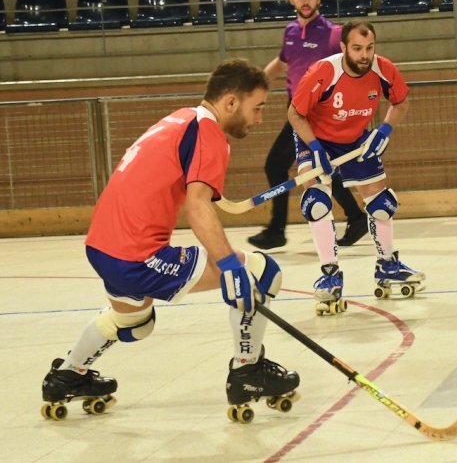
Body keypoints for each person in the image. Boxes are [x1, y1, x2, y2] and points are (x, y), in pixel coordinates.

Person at [40, 59, 299, 423]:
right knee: (261, 271)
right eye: (256, 108)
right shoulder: (210, 135)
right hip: (136, 253)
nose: (259, 119)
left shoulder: (182, 119)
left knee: (133, 321)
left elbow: (203, 197)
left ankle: (67, 374)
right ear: (229, 102)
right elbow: (196, 207)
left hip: (101, 245)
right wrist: (229, 266)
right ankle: (248, 372)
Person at [288, 20, 425, 316]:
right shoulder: (323, 72)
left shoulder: (383, 69)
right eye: (357, 48)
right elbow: (295, 114)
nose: (365, 55)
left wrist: (385, 130)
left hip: (355, 140)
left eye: (369, 48)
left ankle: (387, 265)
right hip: (315, 136)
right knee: (316, 202)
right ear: (343, 47)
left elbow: (400, 102)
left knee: (382, 204)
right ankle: (330, 274)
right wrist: (314, 148)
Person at [248, 0, 367, 251]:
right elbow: (281, 63)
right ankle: (356, 217)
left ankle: (277, 230)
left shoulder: (333, 33)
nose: (305, 0)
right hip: (295, 109)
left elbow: (355, 64)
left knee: (275, 165)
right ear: (291, 0)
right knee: (320, 167)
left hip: (315, 112)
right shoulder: (290, 32)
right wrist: (253, 88)